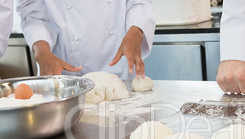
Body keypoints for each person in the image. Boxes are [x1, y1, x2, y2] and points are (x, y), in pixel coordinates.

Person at [16, 0, 155, 80]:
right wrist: (42, 51)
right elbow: (32, 13)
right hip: (64, 73)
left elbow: (140, 3)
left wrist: (136, 31)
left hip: (118, 68)